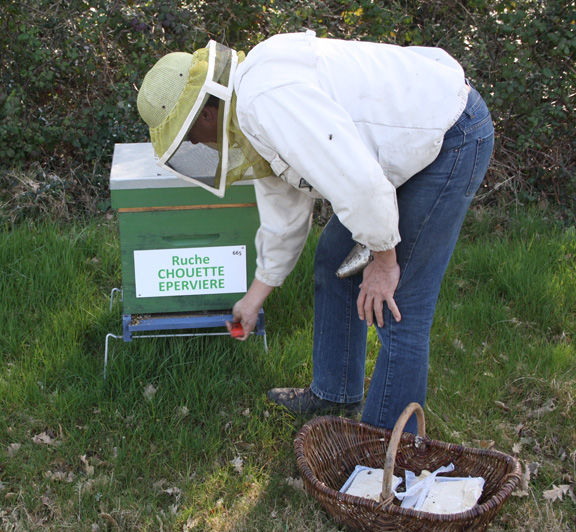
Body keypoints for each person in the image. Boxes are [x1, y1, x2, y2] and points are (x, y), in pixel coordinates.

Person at [135, 30, 494, 433]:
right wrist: (254, 298)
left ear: (203, 113)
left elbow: (359, 184)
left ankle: (384, 458)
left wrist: (384, 260)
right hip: (391, 155)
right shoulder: (248, 119)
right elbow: (284, 216)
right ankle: (334, 392)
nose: (199, 147)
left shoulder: (265, 100)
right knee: (333, 260)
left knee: (399, 305)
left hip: (447, 134)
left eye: (188, 138)